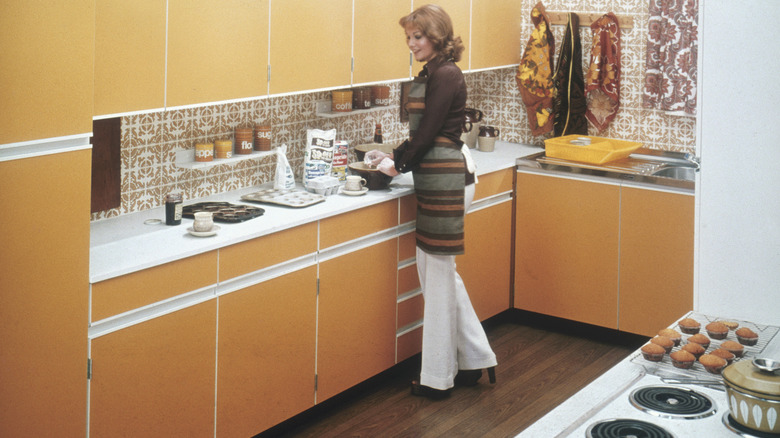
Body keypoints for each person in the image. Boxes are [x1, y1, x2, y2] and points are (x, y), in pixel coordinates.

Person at [366, 4, 497, 400]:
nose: (411, 44)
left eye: (418, 37)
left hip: (448, 180)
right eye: (408, 37)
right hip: (439, 177)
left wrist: (396, 164)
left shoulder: (446, 74)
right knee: (442, 275)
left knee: (436, 280)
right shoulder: (434, 72)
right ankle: (477, 357)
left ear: (437, 36)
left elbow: (426, 135)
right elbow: (423, 135)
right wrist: (390, 154)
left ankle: (437, 379)